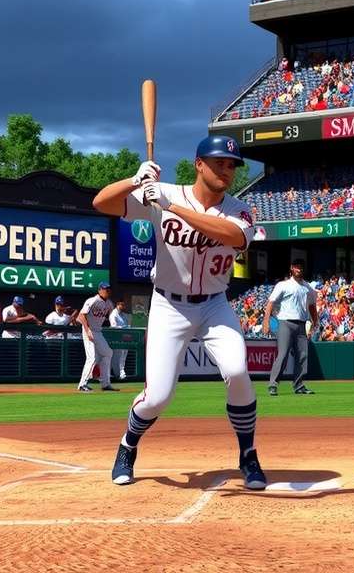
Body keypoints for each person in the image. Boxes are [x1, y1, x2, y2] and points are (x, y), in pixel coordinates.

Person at [92, 135, 267, 490]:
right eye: (219, 162)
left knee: (237, 370)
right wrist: (135, 181)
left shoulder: (239, 209)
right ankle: (128, 445)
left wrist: (172, 207)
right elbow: (101, 203)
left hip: (215, 303)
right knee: (158, 396)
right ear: (199, 164)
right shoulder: (162, 193)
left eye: (232, 164)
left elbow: (233, 236)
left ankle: (248, 455)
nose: (227, 170)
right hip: (168, 304)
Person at [262, 259, 319, 396]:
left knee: (303, 356)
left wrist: (315, 321)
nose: (299, 269)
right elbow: (271, 303)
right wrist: (266, 321)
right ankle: (273, 384)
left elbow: (312, 306)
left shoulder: (308, 288)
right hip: (285, 323)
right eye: (296, 267)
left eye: (301, 267)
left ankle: (298, 385)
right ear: (291, 269)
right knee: (283, 355)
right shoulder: (283, 285)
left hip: (301, 324)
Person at [75, 282, 117, 392]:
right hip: (89, 330)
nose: (107, 291)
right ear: (99, 290)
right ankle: (82, 384)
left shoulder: (109, 303)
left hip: (98, 331)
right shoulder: (92, 300)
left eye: (108, 289)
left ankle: (105, 384)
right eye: (104, 289)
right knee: (92, 357)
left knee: (108, 353)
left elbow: (110, 315)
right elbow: (80, 316)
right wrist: (87, 330)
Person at [109, 299, 131, 380]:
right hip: (116, 338)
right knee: (116, 356)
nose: (123, 306)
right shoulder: (113, 314)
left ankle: (121, 373)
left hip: (125, 338)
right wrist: (123, 327)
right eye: (121, 304)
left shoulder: (124, 315)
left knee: (123, 356)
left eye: (123, 305)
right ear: (117, 305)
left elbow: (127, 324)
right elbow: (113, 326)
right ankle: (116, 373)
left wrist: (127, 327)